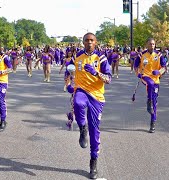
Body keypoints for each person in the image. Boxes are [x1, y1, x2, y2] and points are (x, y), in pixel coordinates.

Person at [67, 33, 111, 179]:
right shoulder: (77, 57)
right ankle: (82, 128)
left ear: (96, 42)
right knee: (78, 103)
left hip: (97, 96)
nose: (89, 42)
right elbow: (69, 73)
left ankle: (93, 162)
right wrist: (69, 85)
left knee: (95, 131)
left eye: (92, 40)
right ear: (83, 42)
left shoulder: (102, 58)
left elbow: (108, 79)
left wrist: (97, 73)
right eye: (87, 40)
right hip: (81, 91)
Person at [134, 38, 166, 133]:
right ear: (146, 44)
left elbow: (164, 68)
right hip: (145, 76)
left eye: (153, 44)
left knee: (155, 102)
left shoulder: (159, 55)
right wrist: (138, 74)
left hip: (156, 78)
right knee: (150, 84)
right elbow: (135, 67)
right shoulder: (141, 55)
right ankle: (149, 101)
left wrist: (159, 71)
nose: (152, 45)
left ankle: (153, 122)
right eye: (150, 44)